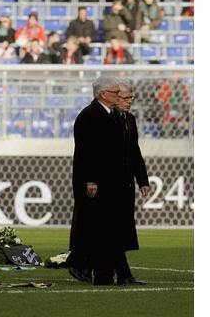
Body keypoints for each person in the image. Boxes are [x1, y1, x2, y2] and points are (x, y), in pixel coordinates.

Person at [67, 76, 135, 285]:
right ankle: (81, 264)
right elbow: (86, 152)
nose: (119, 97)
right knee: (95, 228)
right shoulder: (88, 116)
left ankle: (105, 273)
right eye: (115, 93)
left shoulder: (115, 116)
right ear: (103, 94)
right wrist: (90, 180)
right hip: (95, 183)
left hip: (111, 183)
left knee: (105, 229)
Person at [112, 80, 150, 285]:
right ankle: (123, 274)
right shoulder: (108, 120)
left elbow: (135, 152)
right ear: (114, 98)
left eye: (131, 98)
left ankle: (79, 261)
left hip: (126, 184)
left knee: (121, 229)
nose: (129, 102)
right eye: (125, 98)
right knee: (115, 230)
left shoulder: (130, 119)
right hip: (110, 184)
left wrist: (142, 179)